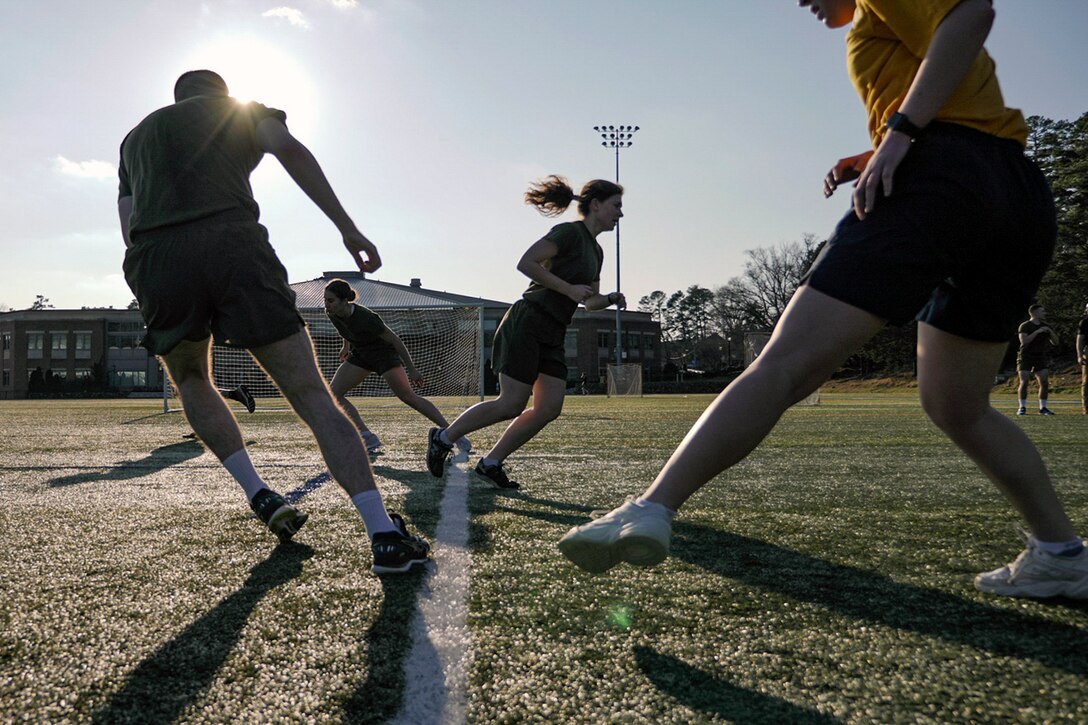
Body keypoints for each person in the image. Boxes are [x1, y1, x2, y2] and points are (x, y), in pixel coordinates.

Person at [559, 0, 1088, 599]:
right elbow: (966, 105)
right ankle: (1061, 552)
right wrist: (878, 148)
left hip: (944, 180)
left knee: (783, 366)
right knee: (956, 404)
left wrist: (900, 136)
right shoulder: (872, 25)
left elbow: (971, 15)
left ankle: (650, 506)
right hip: (1016, 195)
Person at [118, 69, 429, 574]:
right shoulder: (239, 108)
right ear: (220, 92)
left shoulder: (135, 139)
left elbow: (128, 228)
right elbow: (291, 151)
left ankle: (258, 492)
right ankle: (383, 535)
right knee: (310, 392)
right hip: (232, 243)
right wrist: (348, 229)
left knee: (192, 376)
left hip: (157, 257)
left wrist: (158, 273)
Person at [425, 176, 626, 489]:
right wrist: (567, 288)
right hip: (528, 321)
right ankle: (443, 437)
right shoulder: (569, 232)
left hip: (554, 331)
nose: (620, 214)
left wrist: (610, 299)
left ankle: (490, 463)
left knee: (548, 409)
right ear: (596, 205)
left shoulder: (596, 252)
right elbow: (526, 263)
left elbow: (590, 302)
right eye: (617, 206)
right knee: (511, 403)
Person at [322, 278, 471, 455]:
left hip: (383, 355)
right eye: (325, 300)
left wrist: (412, 369)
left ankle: (454, 435)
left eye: (330, 300)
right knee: (333, 394)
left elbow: (395, 340)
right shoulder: (332, 313)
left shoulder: (366, 317)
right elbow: (345, 330)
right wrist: (346, 347)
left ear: (345, 300)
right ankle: (367, 436)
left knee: (408, 396)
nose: (326, 304)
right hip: (361, 354)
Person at [1016, 304, 1059, 415]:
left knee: (1044, 382)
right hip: (1026, 356)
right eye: (1042, 311)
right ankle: (1022, 407)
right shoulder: (1025, 326)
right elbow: (1024, 342)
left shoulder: (1046, 326)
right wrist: (1037, 332)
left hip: (1040, 356)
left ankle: (1043, 408)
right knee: (1024, 381)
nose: (1044, 313)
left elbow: (1055, 342)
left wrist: (1050, 331)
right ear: (1034, 313)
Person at [1076, 302, 1087, 415]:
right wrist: (1079, 355)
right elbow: (1080, 340)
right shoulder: (1084, 323)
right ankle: (1086, 407)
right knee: (1086, 381)